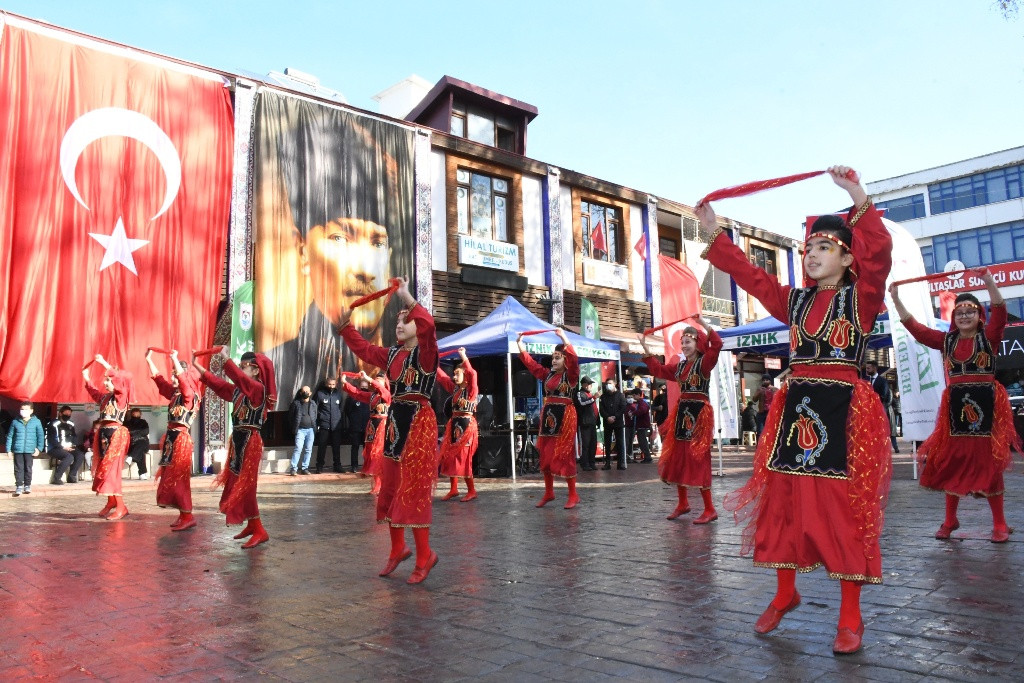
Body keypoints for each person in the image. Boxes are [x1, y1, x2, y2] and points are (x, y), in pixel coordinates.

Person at [698, 165, 892, 655]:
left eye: (823, 246)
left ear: (848, 256)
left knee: (843, 510)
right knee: (784, 503)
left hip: (845, 411)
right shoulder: (795, 301)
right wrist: (714, 233)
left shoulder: (862, 299)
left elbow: (882, 256)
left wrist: (857, 195)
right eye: (808, 247)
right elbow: (751, 276)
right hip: (799, 408)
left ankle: (850, 616)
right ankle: (785, 592)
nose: (811, 254)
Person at [889, 272, 1019, 543]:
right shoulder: (947, 341)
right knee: (953, 461)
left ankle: (1000, 524)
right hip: (956, 409)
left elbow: (1000, 309)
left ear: (979, 316)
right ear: (953, 318)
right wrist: (896, 299)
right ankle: (950, 520)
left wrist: (988, 281)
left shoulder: (990, 337)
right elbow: (916, 329)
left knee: (988, 464)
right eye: (959, 312)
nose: (964, 315)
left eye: (970, 311)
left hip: (987, 407)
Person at [338, 276, 441, 584]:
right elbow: (366, 350)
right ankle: (398, 549)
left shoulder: (427, 353)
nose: (400, 323)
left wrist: (408, 297)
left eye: (407, 320)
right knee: (391, 487)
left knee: (413, 489)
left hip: (418, 423)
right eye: (398, 320)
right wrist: (346, 327)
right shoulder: (392, 354)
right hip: (396, 422)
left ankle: (425, 555)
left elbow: (429, 328)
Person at [642, 316, 723, 523]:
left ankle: (709, 509)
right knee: (679, 456)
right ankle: (683, 503)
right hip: (682, 412)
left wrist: (703, 323)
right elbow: (659, 370)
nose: (684, 346)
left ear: (697, 343)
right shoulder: (679, 367)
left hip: (699, 414)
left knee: (698, 458)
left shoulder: (705, 363)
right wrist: (646, 349)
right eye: (682, 343)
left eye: (688, 342)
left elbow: (718, 344)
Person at [195, 348, 277, 549]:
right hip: (239, 440)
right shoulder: (241, 390)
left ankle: (259, 530)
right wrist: (197, 366)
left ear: (256, 370)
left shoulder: (257, 389)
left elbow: (241, 381)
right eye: (239, 367)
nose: (240, 371)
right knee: (239, 483)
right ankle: (251, 525)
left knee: (247, 487)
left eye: (244, 367)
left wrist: (225, 359)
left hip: (250, 441)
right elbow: (221, 386)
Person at [518, 328, 581, 508]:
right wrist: (521, 346)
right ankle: (549, 492)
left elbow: (575, 360)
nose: (554, 360)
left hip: (566, 416)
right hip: (549, 417)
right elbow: (532, 366)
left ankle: (573, 494)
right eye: (553, 357)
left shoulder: (571, 376)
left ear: (565, 360)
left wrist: (563, 337)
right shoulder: (548, 375)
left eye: (558, 357)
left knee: (564, 453)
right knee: (545, 454)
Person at [147, 349, 202, 532]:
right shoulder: (175, 394)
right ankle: (183, 514)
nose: (173, 379)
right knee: (172, 478)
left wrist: (175, 358)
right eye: (173, 375)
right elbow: (160, 381)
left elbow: (185, 383)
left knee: (180, 480)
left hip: (180, 441)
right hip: (172, 440)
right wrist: (149, 360)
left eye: (176, 375)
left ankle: (188, 516)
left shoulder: (189, 395)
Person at [83, 355, 134, 520]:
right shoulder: (105, 398)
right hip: (104, 436)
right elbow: (93, 392)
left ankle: (121, 506)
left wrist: (104, 363)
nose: (105, 383)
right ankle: (111, 501)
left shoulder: (121, 396)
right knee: (104, 470)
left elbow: (118, 379)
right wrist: (86, 377)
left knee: (112, 472)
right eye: (105, 380)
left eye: (108, 380)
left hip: (115, 437)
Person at [438, 348, 480, 502]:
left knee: (464, 458)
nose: (454, 376)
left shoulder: (471, 390)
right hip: (455, 426)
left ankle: (472, 490)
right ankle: (454, 489)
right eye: (454, 374)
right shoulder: (455, 389)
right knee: (450, 456)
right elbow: (442, 378)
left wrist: (464, 357)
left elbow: (473, 374)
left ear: (465, 376)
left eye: (457, 373)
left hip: (467, 426)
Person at [340, 371, 390, 495]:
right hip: (372, 425)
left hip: (383, 426)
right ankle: (376, 486)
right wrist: (345, 383)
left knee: (381, 455)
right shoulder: (372, 396)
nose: (377, 382)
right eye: (376, 379)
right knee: (372, 454)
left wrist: (368, 379)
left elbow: (381, 390)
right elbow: (358, 394)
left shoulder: (388, 394)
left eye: (380, 380)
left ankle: (384, 486)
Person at [7, 401, 44, 496]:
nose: (23, 411)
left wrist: (39, 449)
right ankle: (19, 486)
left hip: (30, 449)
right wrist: (8, 450)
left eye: (26, 409)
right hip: (18, 449)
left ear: (31, 411)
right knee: (18, 468)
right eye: (22, 409)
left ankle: (27, 485)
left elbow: (40, 436)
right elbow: (10, 436)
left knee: (28, 468)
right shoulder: (15, 421)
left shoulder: (36, 422)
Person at [864, 360, 898, 453]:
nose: (867, 370)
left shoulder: (882, 381)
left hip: (879, 409)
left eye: (868, 368)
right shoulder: (866, 381)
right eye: (866, 368)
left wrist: (873, 398)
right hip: (869, 410)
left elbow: (884, 394)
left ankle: (886, 448)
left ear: (874, 368)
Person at [313, 377, 345, 473]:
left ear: (336, 385)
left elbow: (341, 409)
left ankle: (337, 465)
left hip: (336, 425)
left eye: (333, 384)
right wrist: (319, 420)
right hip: (324, 424)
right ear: (326, 384)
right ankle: (319, 466)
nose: (331, 386)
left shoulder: (338, 395)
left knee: (336, 446)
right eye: (330, 384)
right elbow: (315, 408)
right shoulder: (320, 394)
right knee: (322, 446)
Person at [48, 405, 85, 484]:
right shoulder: (53, 424)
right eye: (66, 413)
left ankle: (71, 476)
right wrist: (63, 447)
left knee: (80, 455)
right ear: (60, 413)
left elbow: (74, 436)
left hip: (69, 447)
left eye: (69, 414)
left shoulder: (71, 424)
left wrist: (74, 445)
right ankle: (56, 478)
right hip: (55, 448)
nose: (68, 415)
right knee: (69, 457)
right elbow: (52, 439)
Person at [343, 376, 371, 474]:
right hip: (355, 427)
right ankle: (354, 466)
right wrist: (353, 420)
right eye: (362, 386)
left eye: (366, 387)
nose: (364, 388)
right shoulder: (353, 397)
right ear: (359, 386)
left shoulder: (370, 396)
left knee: (366, 448)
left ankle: (367, 466)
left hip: (367, 428)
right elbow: (347, 410)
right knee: (355, 447)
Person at [599, 379, 627, 470]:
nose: (608, 385)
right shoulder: (603, 396)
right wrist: (607, 417)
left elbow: (623, 407)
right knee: (607, 443)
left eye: (610, 383)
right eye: (607, 384)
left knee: (620, 442)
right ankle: (607, 462)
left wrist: (615, 417)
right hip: (607, 422)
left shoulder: (620, 395)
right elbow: (601, 409)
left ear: (615, 384)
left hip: (618, 422)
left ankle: (621, 462)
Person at [288, 385, 316, 475]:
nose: (306, 393)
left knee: (308, 449)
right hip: (300, 430)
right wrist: (294, 427)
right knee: (298, 448)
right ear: (300, 393)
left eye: (307, 391)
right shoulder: (296, 403)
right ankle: (293, 468)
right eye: (304, 391)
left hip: (310, 430)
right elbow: (291, 416)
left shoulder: (313, 404)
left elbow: (315, 415)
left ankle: (305, 468)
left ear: (310, 393)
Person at [575, 376, 599, 471]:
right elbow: (582, 403)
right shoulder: (579, 394)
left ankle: (591, 462)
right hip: (584, 423)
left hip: (592, 423)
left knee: (593, 444)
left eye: (591, 384)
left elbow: (594, 409)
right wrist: (594, 398)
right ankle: (584, 463)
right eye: (589, 384)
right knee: (585, 444)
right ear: (584, 384)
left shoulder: (589, 395)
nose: (590, 386)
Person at [625, 387, 653, 464]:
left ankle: (648, 457)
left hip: (642, 426)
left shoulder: (642, 403)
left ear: (638, 395)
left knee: (643, 442)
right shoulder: (640, 403)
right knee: (642, 442)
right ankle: (647, 457)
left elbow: (642, 410)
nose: (633, 398)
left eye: (633, 396)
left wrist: (633, 413)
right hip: (641, 425)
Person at [124, 408, 150, 480]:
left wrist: (134, 433)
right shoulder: (127, 423)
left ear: (140, 414)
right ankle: (142, 473)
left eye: (137, 413)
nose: (136, 415)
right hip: (132, 445)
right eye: (134, 413)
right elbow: (126, 432)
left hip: (144, 443)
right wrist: (137, 433)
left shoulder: (143, 422)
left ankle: (132, 456)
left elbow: (146, 431)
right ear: (131, 414)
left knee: (141, 444)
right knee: (140, 452)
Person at [751, 374, 777, 441]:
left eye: (767, 380)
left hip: (771, 413)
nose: (765, 381)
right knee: (760, 431)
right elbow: (754, 399)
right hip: (762, 412)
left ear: (770, 381)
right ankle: (759, 447)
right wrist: (758, 392)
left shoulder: (775, 389)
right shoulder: (760, 389)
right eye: (763, 380)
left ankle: (770, 446)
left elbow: (779, 400)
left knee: (771, 431)